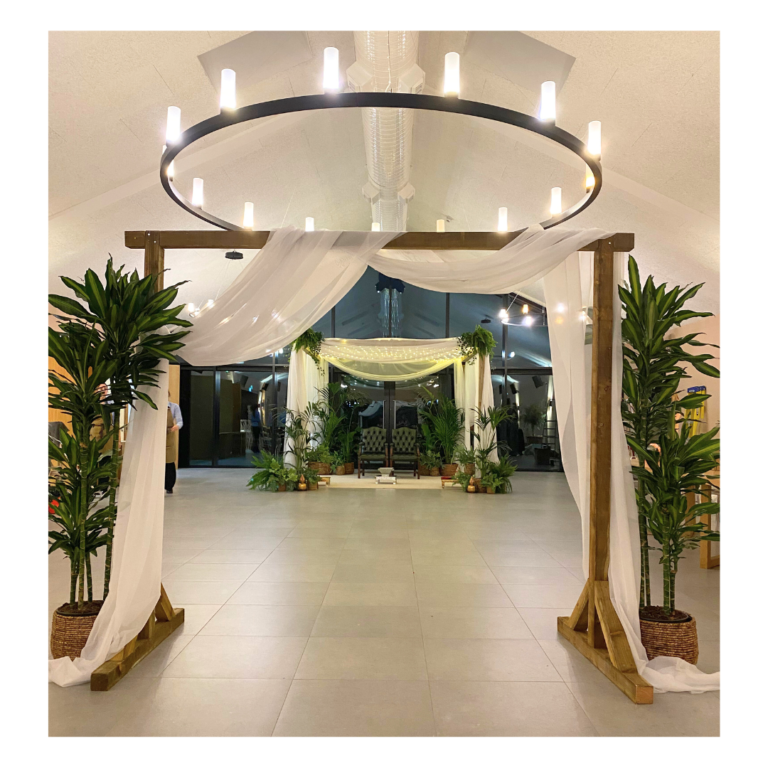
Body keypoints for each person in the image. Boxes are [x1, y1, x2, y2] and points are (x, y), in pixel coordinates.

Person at [166, 393, 183, 494]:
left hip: (169, 435)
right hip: (157, 435)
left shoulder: (174, 407)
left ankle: (169, 485)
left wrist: (176, 427)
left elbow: (180, 421)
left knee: (169, 461)